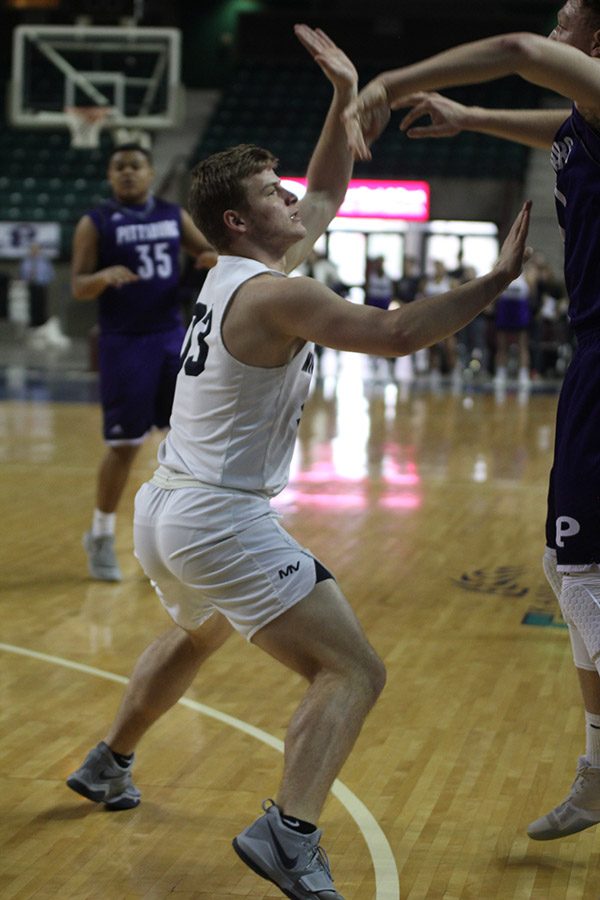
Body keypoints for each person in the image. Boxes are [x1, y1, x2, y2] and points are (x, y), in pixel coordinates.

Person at [64, 24, 531, 900]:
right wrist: (492, 281)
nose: (298, 202)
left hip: (169, 511)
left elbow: (322, 190)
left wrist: (340, 96)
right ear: (241, 219)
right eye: (272, 194)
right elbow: (395, 334)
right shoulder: (279, 294)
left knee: (198, 632)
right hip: (216, 518)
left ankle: (107, 760)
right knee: (352, 669)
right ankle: (289, 834)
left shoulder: (232, 273)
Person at [343, 0, 600, 843]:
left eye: (568, 23)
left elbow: (517, 49)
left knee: (582, 566)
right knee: (571, 568)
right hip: (592, 356)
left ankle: (598, 773)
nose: (551, 32)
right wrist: (474, 114)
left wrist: (392, 82)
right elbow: (551, 123)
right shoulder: (580, 119)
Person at [71, 142, 216, 582]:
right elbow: (77, 285)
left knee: (189, 438)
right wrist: (100, 277)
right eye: (119, 167)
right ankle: (99, 534)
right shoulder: (95, 222)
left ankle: (183, 537)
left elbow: (205, 252)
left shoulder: (172, 216)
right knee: (125, 445)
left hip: (171, 336)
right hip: (123, 343)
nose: (128, 173)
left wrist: (211, 262)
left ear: (151, 172)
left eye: (136, 165)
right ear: (110, 176)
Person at [492, 271, 534, 386]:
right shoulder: (502, 269)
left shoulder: (528, 275)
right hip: (504, 310)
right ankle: (500, 373)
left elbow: (532, 294)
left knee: (522, 345)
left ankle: (523, 374)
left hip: (520, 312)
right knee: (502, 346)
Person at [19, 242, 54, 327]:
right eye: (33, 249)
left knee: (41, 304)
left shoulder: (44, 261)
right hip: (30, 285)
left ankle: (42, 323)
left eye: (36, 249)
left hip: (41, 285)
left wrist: (45, 281)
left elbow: (51, 273)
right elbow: (22, 273)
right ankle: (32, 322)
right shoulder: (26, 261)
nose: (34, 251)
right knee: (31, 304)